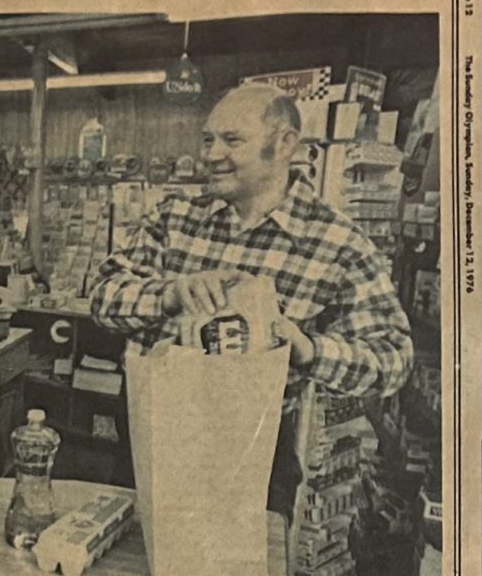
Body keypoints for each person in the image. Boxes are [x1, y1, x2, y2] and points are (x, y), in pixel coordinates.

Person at [90, 83, 413, 515]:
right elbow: (103, 296)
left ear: (285, 144)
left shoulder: (337, 241)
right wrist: (167, 295)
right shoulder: (174, 217)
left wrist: (308, 350)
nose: (211, 154)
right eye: (208, 139)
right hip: (151, 435)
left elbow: (393, 359)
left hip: (252, 456)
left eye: (232, 140)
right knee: (134, 571)